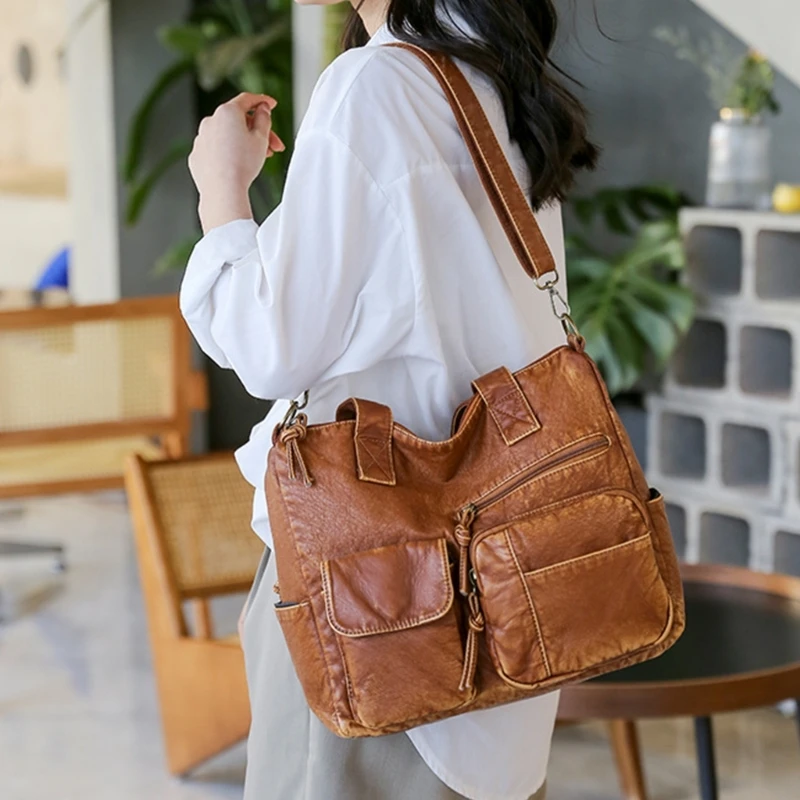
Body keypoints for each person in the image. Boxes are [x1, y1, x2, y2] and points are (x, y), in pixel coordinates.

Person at [181, 1, 598, 798]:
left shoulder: (374, 85)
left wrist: (221, 192)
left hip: (381, 605)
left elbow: (269, 346)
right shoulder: (492, 75)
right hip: (512, 594)